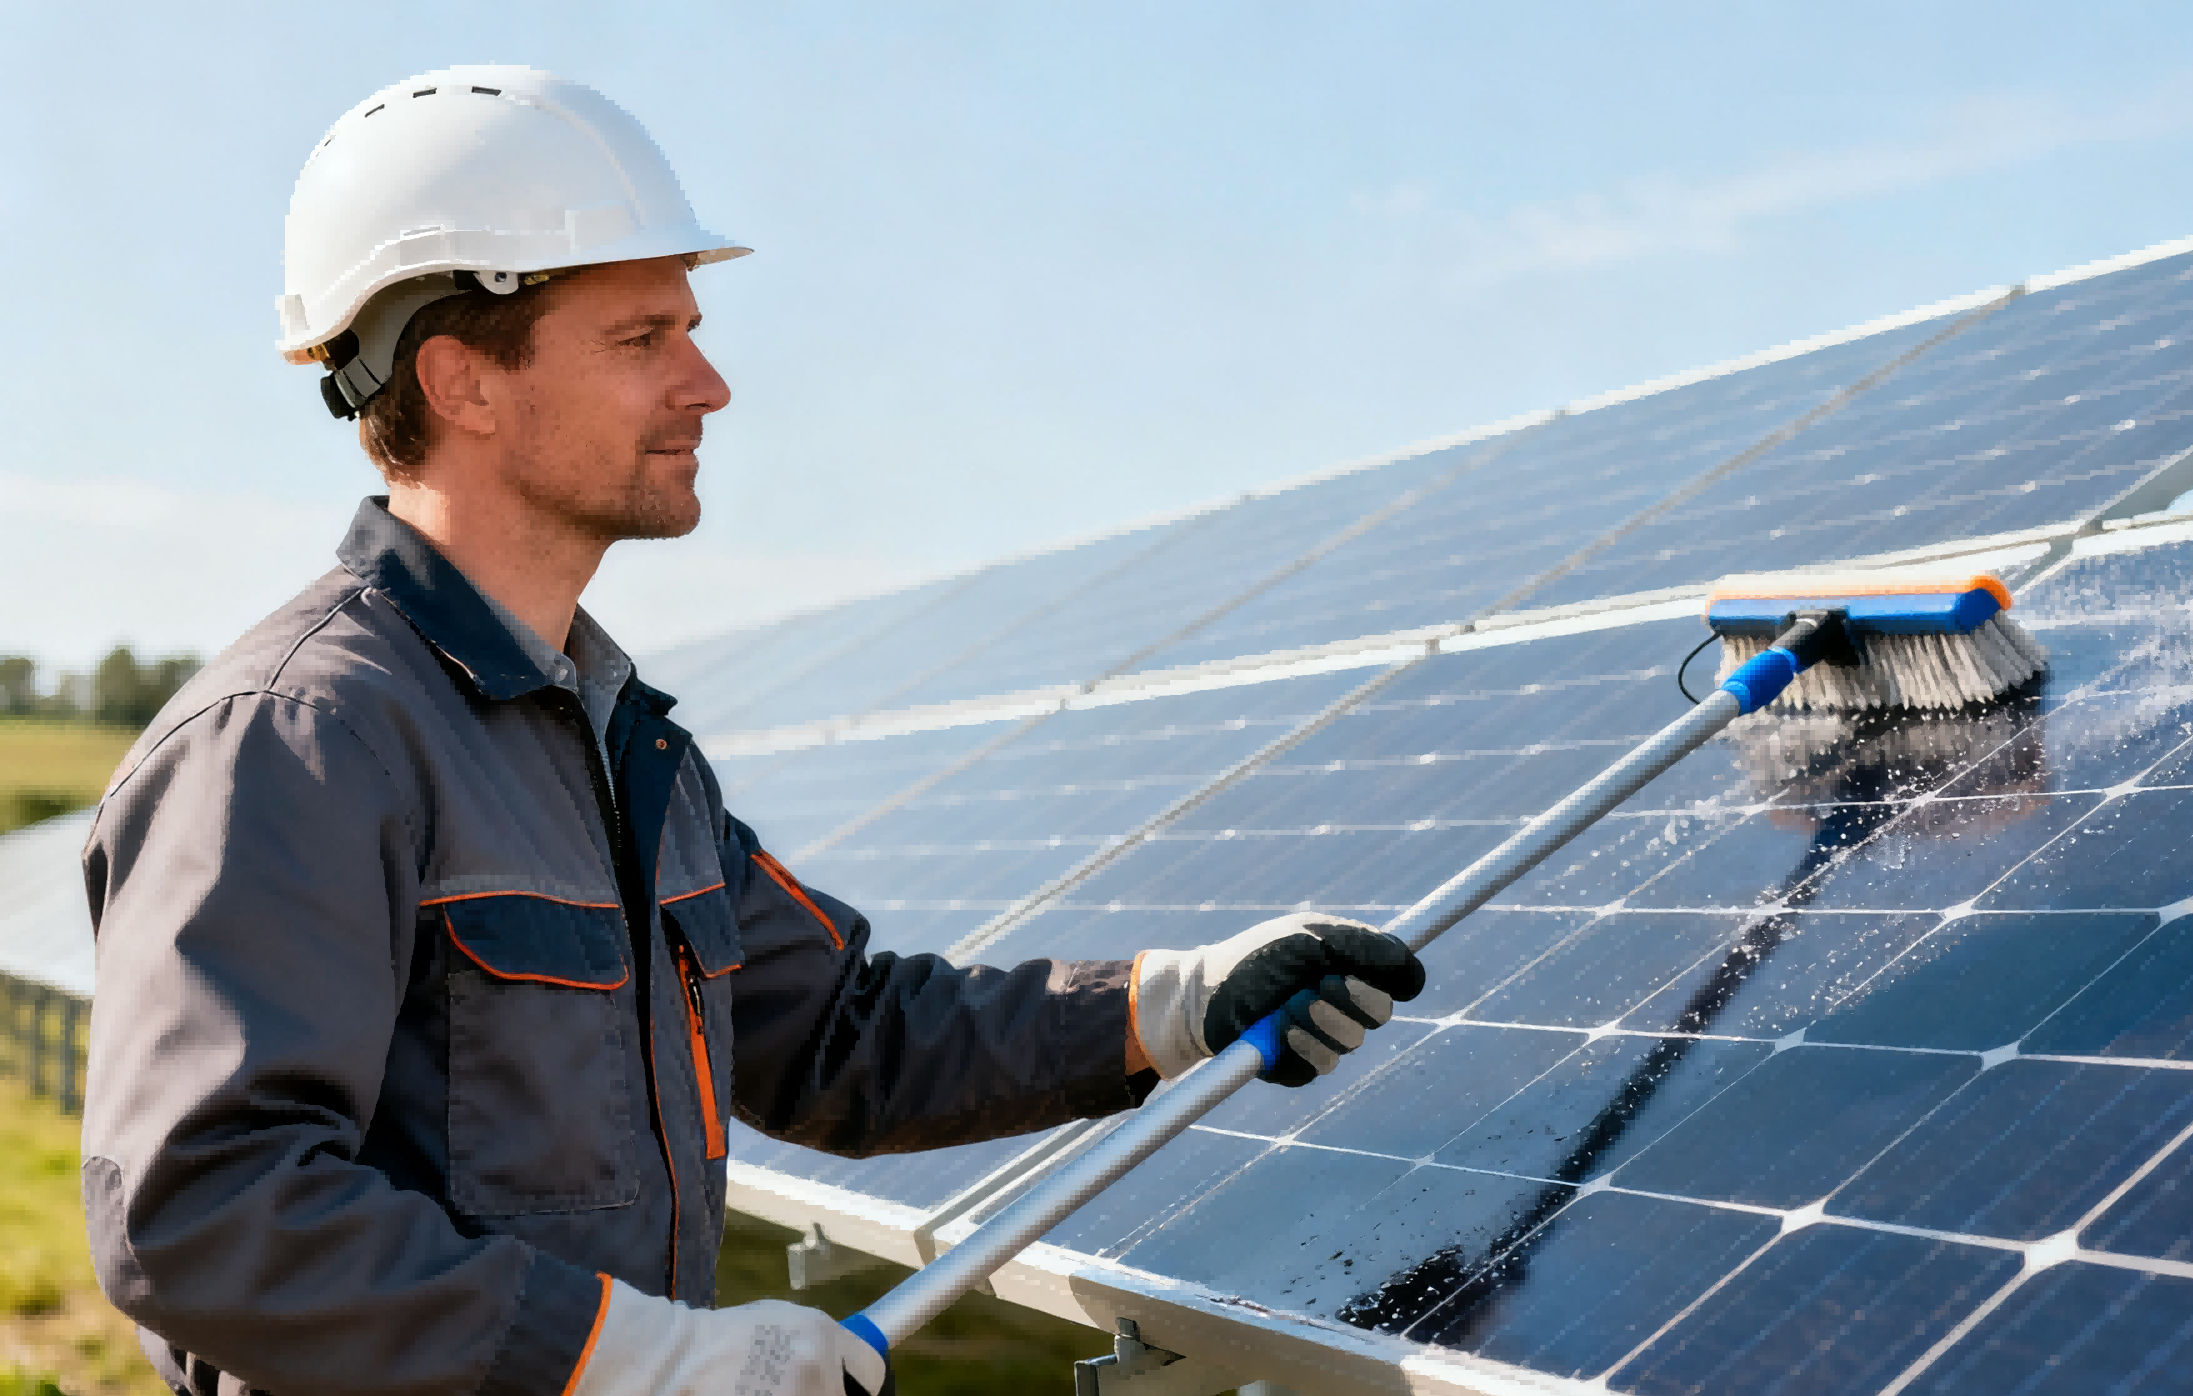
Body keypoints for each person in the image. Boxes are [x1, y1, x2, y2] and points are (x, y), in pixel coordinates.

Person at [79, 66, 1425, 1396]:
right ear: (463, 381)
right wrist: (632, 1361)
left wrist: (1169, 1008)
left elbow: (841, 1037)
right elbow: (205, 1210)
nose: (708, 384)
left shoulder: (624, 749)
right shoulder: (302, 741)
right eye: (642, 338)